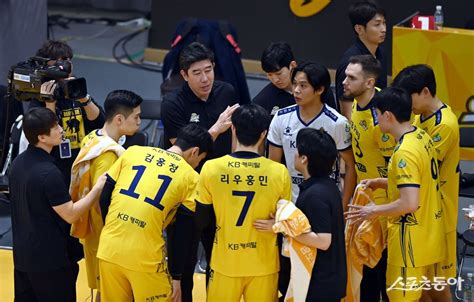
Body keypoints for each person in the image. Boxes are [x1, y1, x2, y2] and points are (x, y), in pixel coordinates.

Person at [346, 87, 447, 302]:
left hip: (408, 245)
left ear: (387, 116)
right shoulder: (421, 136)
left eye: (377, 114)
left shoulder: (403, 153)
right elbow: (417, 183)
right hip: (428, 237)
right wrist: (381, 183)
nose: (376, 120)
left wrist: (373, 211)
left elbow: (409, 203)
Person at [96, 124, 213, 301]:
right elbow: (182, 233)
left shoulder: (133, 152)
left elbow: (104, 197)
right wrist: (176, 276)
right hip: (146, 256)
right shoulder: (191, 178)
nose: (197, 165)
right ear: (194, 152)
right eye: (200, 160)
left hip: (108, 247)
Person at [161, 41, 239, 300]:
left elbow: (236, 133)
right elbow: (181, 151)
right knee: (183, 261)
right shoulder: (173, 103)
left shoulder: (226, 92)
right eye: (197, 73)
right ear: (184, 75)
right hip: (186, 192)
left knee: (218, 258)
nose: (205, 78)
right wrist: (215, 129)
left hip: (220, 188)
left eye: (209, 70)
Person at [195, 104, 292, 301]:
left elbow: (201, 219)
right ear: (264, 134)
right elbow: (286, 221)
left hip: (225, 262)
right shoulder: (279, 172)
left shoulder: (211, 168)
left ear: (233, 129)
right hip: (264, 264)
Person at [9, 107, 106, 302]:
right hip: (51, 261)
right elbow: (70, 214)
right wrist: (97, 189)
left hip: (23, 256)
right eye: (55, 127)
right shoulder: (48, 173)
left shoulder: (18, 163)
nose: (62, 130)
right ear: (42, 137)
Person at [393, 64, 460, 301]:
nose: (405, 103)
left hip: (440, 215)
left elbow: (420, 165)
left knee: (437, 285)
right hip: (423, 212)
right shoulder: (421, 117)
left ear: (424, 92)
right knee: (418, 283)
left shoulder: (445, 125)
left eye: (408, 96)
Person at [69, 90, 142, 300]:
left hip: (92, 231)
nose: (139, 122)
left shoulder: (93, 137)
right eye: (136, 117)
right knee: (109, 291)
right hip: (104, 234)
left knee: (104, 290)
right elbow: (103, 201)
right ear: (119, 119)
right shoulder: (109, 154)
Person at [267, 61, 356, 208]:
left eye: (303, 86)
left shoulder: (337, 123)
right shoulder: (281, 118)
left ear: (320, 89)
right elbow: (273, 165)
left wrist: (343, 206)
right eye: (294, 84)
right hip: (290, 204)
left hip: (326, 203)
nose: (296, 90)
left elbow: (350, 165)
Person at [343, 54, 395, 301]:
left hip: (383, 205)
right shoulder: (357, 102)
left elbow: (394, 166)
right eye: (345, 75)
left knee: (379, 271)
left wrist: (384, 208)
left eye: (351, 78)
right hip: (365, 199)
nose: (344, 81)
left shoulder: (382, 119)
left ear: (369, 83)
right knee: (364, 268)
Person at [22, 40, 106, 185]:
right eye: (58, 60)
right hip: (54, 163)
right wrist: (50, 103)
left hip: (80, 160)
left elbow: (100, 123)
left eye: (68, 60)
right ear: (46, 65)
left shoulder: (74, 87)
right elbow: (43, 135)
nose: (65, 64)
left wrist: (84, 98)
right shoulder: (39, 97)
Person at [293, 128, 347, 301]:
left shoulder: (316, 195)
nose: (294, 154)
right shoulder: (327, 186)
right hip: (327, 279)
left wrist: (286, 229)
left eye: (297, 151)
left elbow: (323, 241)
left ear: (304, 158)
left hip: (320, 284)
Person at [253, 41, 338, 116]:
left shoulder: (318, 88)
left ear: (292, 65)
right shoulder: (262, 101)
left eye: (279, 73)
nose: (275, 80)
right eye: (270, 75)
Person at [335, 0, 387, 120]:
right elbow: (347, 114)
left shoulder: (381, 53)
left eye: (384, 23)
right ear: (359, 29)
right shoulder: (350, 65)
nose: (383, 29)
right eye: (377, 24)